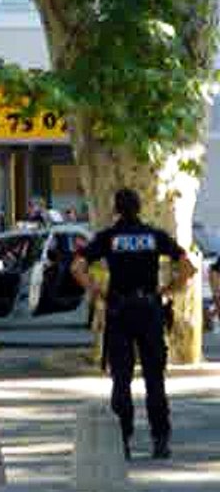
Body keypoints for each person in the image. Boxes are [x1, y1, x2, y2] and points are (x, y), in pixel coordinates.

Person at [71, 188, 195, 460]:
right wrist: (168, 289)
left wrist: (97, 292)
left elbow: (76, 267)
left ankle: (123, 441)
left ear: (116, 209)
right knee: (154, 380)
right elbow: (188, 267)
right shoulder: (154, 236)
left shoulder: (108, 238)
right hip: (150, 311)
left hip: (119, 311)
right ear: (139, 208)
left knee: (122, 380)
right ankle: (160, 440)